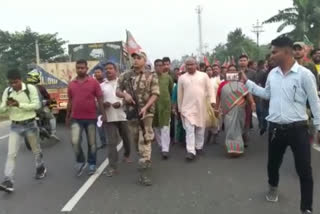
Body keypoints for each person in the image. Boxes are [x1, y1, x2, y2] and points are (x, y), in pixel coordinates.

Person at [241, 36, 320, 214]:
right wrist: (247, 83)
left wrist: (319, 127)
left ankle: (306, 207)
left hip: (298, 129)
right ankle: (273, 187)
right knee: (273, 164)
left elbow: (315, 103)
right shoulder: (272, 74)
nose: (272, 55)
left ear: (286, 52)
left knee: (304, 170)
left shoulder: (305, 75)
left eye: (275, 51)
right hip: (275, 128)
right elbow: (267, 94)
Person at [116, 51, 159, 186]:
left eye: (138, 58)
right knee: (136, 141)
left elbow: (155, 94)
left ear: (144, 61)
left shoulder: (151, 76)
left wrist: (146, 107)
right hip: (131, 113)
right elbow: (117, 90)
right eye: (134, 58)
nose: (135, 60)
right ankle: (145, 158)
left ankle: (144, 173)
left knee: (144, 140)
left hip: (147, 113)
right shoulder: (125, 76)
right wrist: (125, 95)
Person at [0, 69, 47, 193]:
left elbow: (36, 105)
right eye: (10, 83)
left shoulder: (30, 89)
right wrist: (6, 105)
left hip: (30, 124)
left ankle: (40, 168)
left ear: (20, 79)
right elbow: (2, 110)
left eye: (15, 82)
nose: (13, 85)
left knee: (36, 150)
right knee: (11, 154)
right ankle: (8, 181)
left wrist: (18, 104)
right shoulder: (7, 91)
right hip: (15, 126)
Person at [66, 59, 106, 176]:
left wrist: (103, 114)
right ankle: (80, 160)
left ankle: (92, 163)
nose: (80, 70)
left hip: (91, 118)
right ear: (76, 69)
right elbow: (70, 101)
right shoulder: (72, 84)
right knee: (75, 142)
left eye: (82, 68)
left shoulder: (94, 82)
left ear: (87, 69)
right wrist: (67, 116)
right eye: (78, 68)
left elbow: (99, 98)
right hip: (75, 118)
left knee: (92, 143)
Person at [178, 57, 215, 160]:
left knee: (200, 129)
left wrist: (213, 101)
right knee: (189, 130)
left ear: (196, 65)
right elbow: (180, 94)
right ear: (185, 66)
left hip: (200, 107)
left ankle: (199, 147)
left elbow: (210, 89)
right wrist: (180, 108)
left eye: (192, 64)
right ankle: (190, 151)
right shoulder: (182, 78)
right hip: (187, 108)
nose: (189, 66)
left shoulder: (204, 76)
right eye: (187, 65)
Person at [215, 65, 255, 157]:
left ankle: (238, 148)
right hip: (228, 111)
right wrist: (216, 108)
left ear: (237, 73)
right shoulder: (222, 85)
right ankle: (231, 149)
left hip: (240, 110)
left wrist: (252, 103)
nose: (232, 72)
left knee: (238, 129)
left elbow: (248, 94)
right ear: (226, 73)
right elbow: (218, 96)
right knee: (230, 129)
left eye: (234, 71)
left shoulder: (241, 84)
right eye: (230, 71)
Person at [101, 62, 132, 177]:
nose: (108, 70)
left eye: (110, 68)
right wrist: (104, 104)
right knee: (112, 143)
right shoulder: (102, 86)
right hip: (109, 117)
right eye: (106, 69)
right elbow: (98, 101)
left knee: (126, 138)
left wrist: (121, 103)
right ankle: (113, 167)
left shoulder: (123, 83)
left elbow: (129, 98)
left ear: (116, 70)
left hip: (123, 116)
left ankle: (127, 155)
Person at [26, 70, 60, 142]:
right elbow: (47, 97)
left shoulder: (25, 89)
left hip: (29, 109)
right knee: (52, 117)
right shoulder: (40, 87)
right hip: (40, 109)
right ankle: (53, 132)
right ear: (36, 78)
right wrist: (48, 101)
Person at [153, 59, 173, 159]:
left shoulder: (168, 77)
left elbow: (170, 90)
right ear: (154, 67)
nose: (159, 67)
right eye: (157, 65)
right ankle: (161, 145)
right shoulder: (150, 78)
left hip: (165, 106)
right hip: (154, 107)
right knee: (156, 128)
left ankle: (165, 149)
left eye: (161, 65)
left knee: (165, 127)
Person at [239, 54, 256, 145]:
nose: (242, 62)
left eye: (244, 60)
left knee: (247, 118)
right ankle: (239, 136)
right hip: (237, 99)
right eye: (241, 60)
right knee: (238, 118)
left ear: (247, 61)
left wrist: (253, 101)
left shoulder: (252, 73)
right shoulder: (235, 72)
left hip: (248, 99)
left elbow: (255, 86)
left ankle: (245, 136)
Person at [93, 67, 108, 149]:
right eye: (95, 73)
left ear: (102, 72)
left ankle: (113, 140)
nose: (97, 74)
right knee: (100, 125)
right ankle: (103, 142)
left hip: (108, 107)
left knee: (110, 125)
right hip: (98, 107)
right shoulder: (93, 83)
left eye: (98, 72)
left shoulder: (107, 82)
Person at [254, 60, 268, 135]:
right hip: (261, 94)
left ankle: (263, 125)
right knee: (261, 111)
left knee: (262, 111)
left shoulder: (264, 72)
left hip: (263, 94)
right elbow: (257, 82)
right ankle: (263, 125)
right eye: (264, 64)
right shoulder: (261, 72)